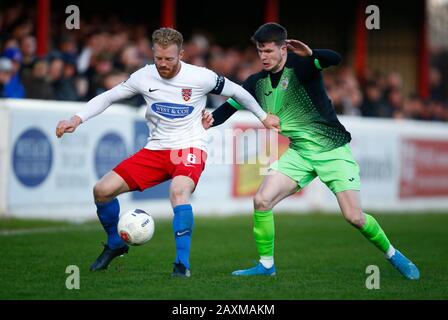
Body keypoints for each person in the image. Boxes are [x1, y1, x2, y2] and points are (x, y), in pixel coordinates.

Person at [55, 27, 280, 277]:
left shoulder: (201, 77)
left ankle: (181, 264)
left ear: (181, 54)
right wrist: (77, 119)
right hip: (156, 149)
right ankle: (115, 243)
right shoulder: (143, 77)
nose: (163, 64)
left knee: (178, 192)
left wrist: (262, 117)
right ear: (153, 53)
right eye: (158, 58)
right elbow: (108, 97)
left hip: (190, 146)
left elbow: (238, 91)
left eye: (169, 59)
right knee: (102, 191)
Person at [204, 23, 420, 279]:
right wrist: (209, 121)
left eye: (269, 51)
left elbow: (334, 59)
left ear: (284, 48)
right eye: (260, 51)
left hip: (332, 150)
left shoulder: (303, 66)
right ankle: (266, 266)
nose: (263, 56)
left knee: (354, 217)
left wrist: (312, 53)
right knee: (261, 200)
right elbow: (230, 106)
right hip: (300, 153)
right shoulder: (256, 82)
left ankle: (394, 255)